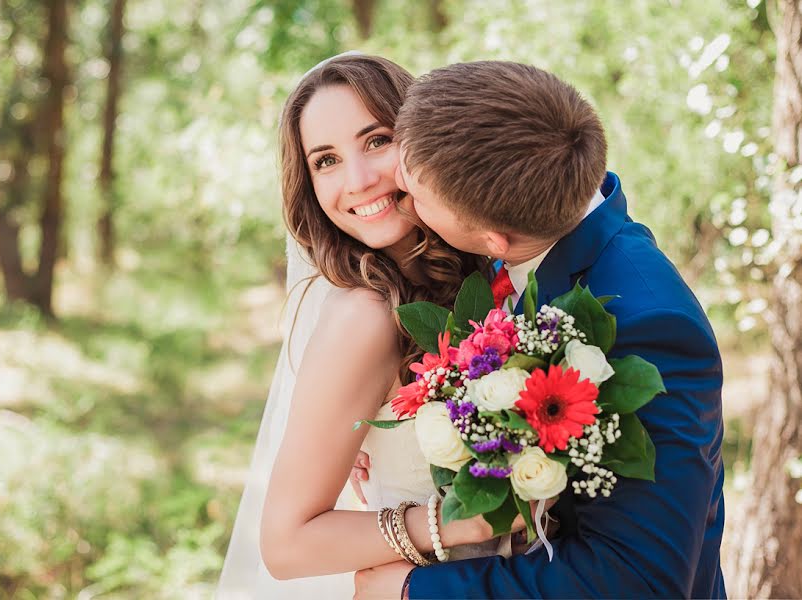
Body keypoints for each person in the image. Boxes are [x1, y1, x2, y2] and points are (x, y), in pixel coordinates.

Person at [354, 60, 726, 599]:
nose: (397, 186)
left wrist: (415, 591)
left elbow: (639, 579)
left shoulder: (649, 325)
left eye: (417, 193)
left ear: (493, 238)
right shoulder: (533, 214)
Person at [217, 54, 534, 600]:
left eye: (376, 141)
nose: (359, 181)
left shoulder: (492, 266)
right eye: (326, 161)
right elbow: (286, 543)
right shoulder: (364, 318)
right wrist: (463, 520)